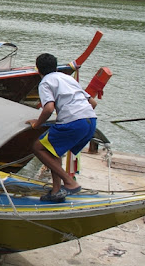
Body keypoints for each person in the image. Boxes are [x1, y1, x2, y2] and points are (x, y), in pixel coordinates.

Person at [26, 53, 98, 203]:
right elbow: (93, 103)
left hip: (74, 122)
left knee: (38, 147)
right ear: (56, 67)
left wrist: (37, 124)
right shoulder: (68, 78)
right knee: (53, 150)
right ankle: (56, 191)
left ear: (38, 70)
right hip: (90, 121)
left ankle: (70, 182)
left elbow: (48, 108)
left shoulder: (45, 82)